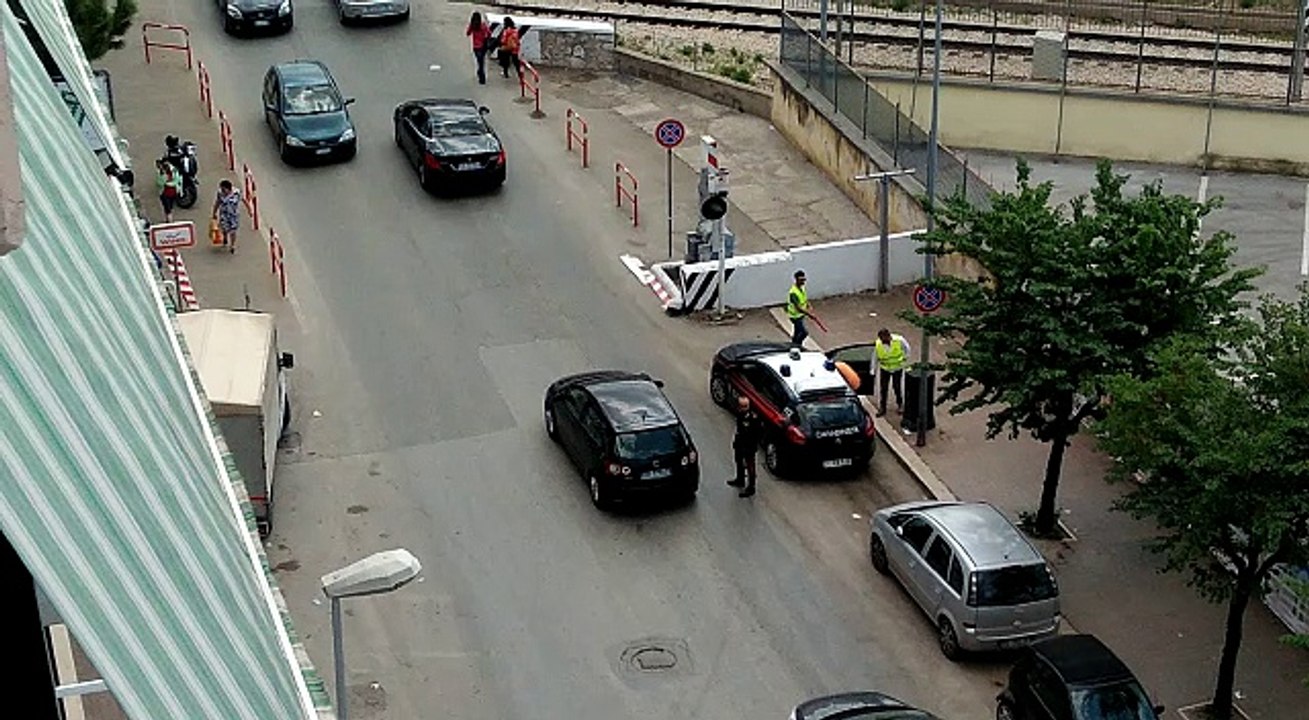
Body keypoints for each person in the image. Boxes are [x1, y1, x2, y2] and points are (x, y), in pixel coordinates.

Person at [728, 395, 764, 498]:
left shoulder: (753, 418)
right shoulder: (740, 413)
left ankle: (751, 487)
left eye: (745, 406)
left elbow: (759, 433)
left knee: (750, 466)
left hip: (749, 445)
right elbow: (739, 428)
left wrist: (752, 445)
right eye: (741, 406)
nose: (742, 408)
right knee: (738, 460)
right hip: (740, 442)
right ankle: (740, 479)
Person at [874, 328, 911, 417]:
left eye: (883, 339)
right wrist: (873, 369)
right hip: (885, 368)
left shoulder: (899, 340)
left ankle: (900, 404)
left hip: (897, 368)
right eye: (881, 339)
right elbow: (875, 356)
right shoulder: (878, 343)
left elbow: (907, 348)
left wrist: (905, 358)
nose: (882, 341)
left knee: (896, 387)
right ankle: (883, 408)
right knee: (883, 388)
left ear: (888, 336)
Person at [211, 179, 242, 254]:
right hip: (224, 214)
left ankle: (232, 245)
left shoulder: (237, 193)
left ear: (229, 188)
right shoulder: (220, 193)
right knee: (224, 228)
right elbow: (217, 202)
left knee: (233, 231)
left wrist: (250, 210)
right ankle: (225, 237)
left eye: (224, 189)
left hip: (233, 216)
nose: (223, 191)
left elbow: (243, 200)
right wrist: (214, 212)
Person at [786, 270, 813, 348]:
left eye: (804, 280)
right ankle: (797, 346)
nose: (803, 282)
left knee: (797, 332)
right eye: (801, 280)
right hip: (795, 316)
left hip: (800, 315)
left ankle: (793, 344)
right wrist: (809, 314)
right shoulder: (793, 293)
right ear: (796, 280)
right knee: (804, 332)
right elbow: (798, 308)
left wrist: (808, 305)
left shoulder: (802, 288)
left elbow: (804, 298)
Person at [466, 11, 491, 85]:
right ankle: (481, 76)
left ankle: (480, 74)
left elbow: (468, 33)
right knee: (481, 61)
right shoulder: (483, 25)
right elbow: (489, 33)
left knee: (479, 61)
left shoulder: (473, 25)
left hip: (476, 46)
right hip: (483, 46)